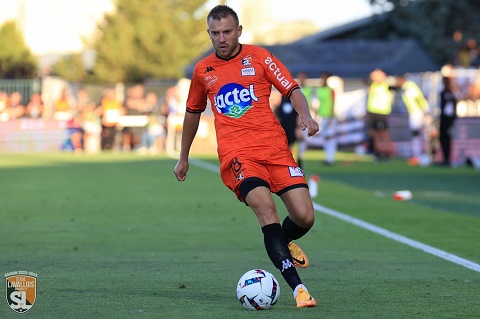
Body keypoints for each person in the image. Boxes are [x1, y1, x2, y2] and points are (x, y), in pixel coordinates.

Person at [173, 5, 318, 308]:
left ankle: (283, 241)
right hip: (237, 155)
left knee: (305, 216)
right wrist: (183, 156)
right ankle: (298, 289)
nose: (221, 38)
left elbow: (292, 89)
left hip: (275, 149)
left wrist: (305, 116)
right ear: (209, 34)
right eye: (215, 33)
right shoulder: (203, 70)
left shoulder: (260, 57)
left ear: (239, 31)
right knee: (265, 209)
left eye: (227, 32)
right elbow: (192, 112)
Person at [397, 75, 430, 165]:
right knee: (417, 134)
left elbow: (418, 98)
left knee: (418, 134)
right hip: (415, 112)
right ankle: (417, 154)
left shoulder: (409, 86)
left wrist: (424, 111)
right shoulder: (405, 87)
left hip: (417, 112)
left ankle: (421, 154)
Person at [366, 69, 394, 161]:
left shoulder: (386, 85)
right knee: (375, 133)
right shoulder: (372, 85)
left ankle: (386, 152)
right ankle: (378, 152)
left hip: (383, 112)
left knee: (384, 133)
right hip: (373, 111)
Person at [315, 72, 337, 165]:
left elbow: (333, 102)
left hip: (329, 116)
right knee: (324, 137)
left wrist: (331, 116)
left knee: (330, 137)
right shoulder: (319, 90)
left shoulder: (330, 90)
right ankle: (328, 157)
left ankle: (331, 158)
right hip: (322, 116)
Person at [439, 76, 457, 166]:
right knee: (444, 138)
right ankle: (446, 158)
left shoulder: (447, 93)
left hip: (446, 119)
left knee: (445, 138)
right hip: (447, 119)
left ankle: (446, 158)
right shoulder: (449, 93)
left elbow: (449, 109)